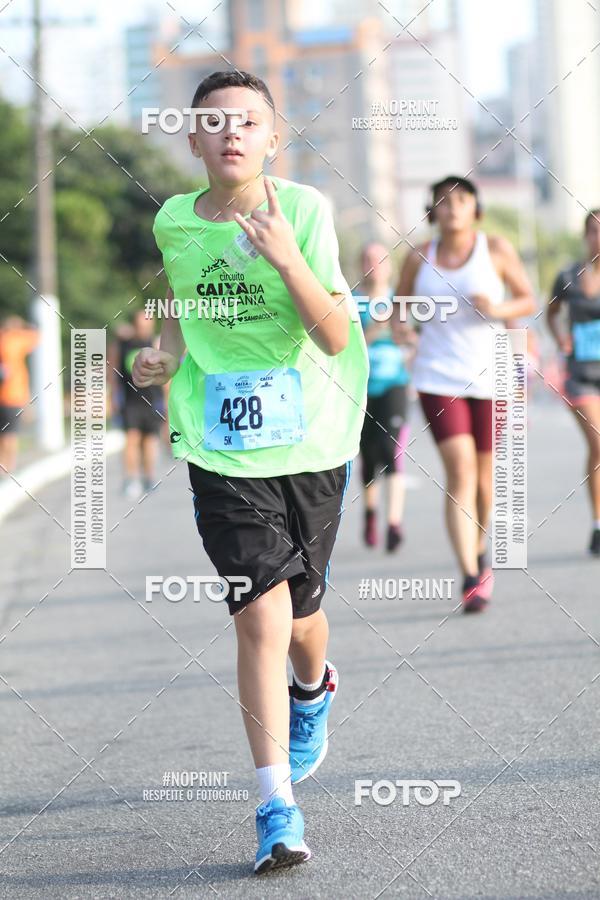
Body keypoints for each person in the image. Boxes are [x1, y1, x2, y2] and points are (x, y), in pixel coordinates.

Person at [132, 70, 368, 874]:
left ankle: (314, 689)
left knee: (303, 618)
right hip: (221, 446)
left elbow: (336, 335)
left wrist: (287, 258)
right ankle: (277, 808)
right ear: (192, 139)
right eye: (214, 122)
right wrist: (161, 357)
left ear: (273, 139)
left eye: (248, 122)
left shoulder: (303, 210)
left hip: (313, 437)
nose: (231, 133)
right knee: (261, 616)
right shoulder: (173, 220)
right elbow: (182, 300)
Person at [395, 176, 535, 612]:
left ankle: (478, 548)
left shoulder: (495, 250)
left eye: (461, 199)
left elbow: (526, 299)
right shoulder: (419, 255)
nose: (452, 206)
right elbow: (399, 308)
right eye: (443, 200)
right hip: (438, 377)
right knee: (459, 472)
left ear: (476, 208)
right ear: (432, 209)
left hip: (490, 375)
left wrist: (498, 310)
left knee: (484, 479)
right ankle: (470, 574)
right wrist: (404, 328)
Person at [357, 242, 416, 551]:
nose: (373, 265)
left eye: (379, 260)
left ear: (388, 266)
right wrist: (375, 330)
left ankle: (394, 523)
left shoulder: (398, 300)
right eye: (367, 259)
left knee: (391, 451)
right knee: (367, 458)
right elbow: (344, 345)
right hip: (361, 387)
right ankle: (370, 512)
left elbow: (413, 339)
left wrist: (404, 336)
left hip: (394, 383)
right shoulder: (351, 302)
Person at [547, 209, 600, 556]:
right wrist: (560, 337)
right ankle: (598, 523)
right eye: (593, 230)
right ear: (585, 235)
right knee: (599, 444)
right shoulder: (568, 274)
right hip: (581, 375)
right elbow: (551, 311)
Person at [109, 310, 164, 498]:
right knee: (131, 440)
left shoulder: (156, 344)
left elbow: (166, 376)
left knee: (149, 441)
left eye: (147, 325)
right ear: (134, 325)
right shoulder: (123, 343)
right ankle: (130, 479)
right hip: (130, 401)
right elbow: (113, 372)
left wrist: (167, 401)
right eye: (140, 325)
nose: (143, 328)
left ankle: (148, 478)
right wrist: (112, 397)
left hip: (152, 401)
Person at [0, 315, 39, 475]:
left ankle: (3, 465)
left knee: (4, 434)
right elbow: (36, 335)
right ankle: (9, 466)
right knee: (11, 434)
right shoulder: (17, 342)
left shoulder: (3, 340)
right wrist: (22, 324)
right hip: (13, 397)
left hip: (7, 397)